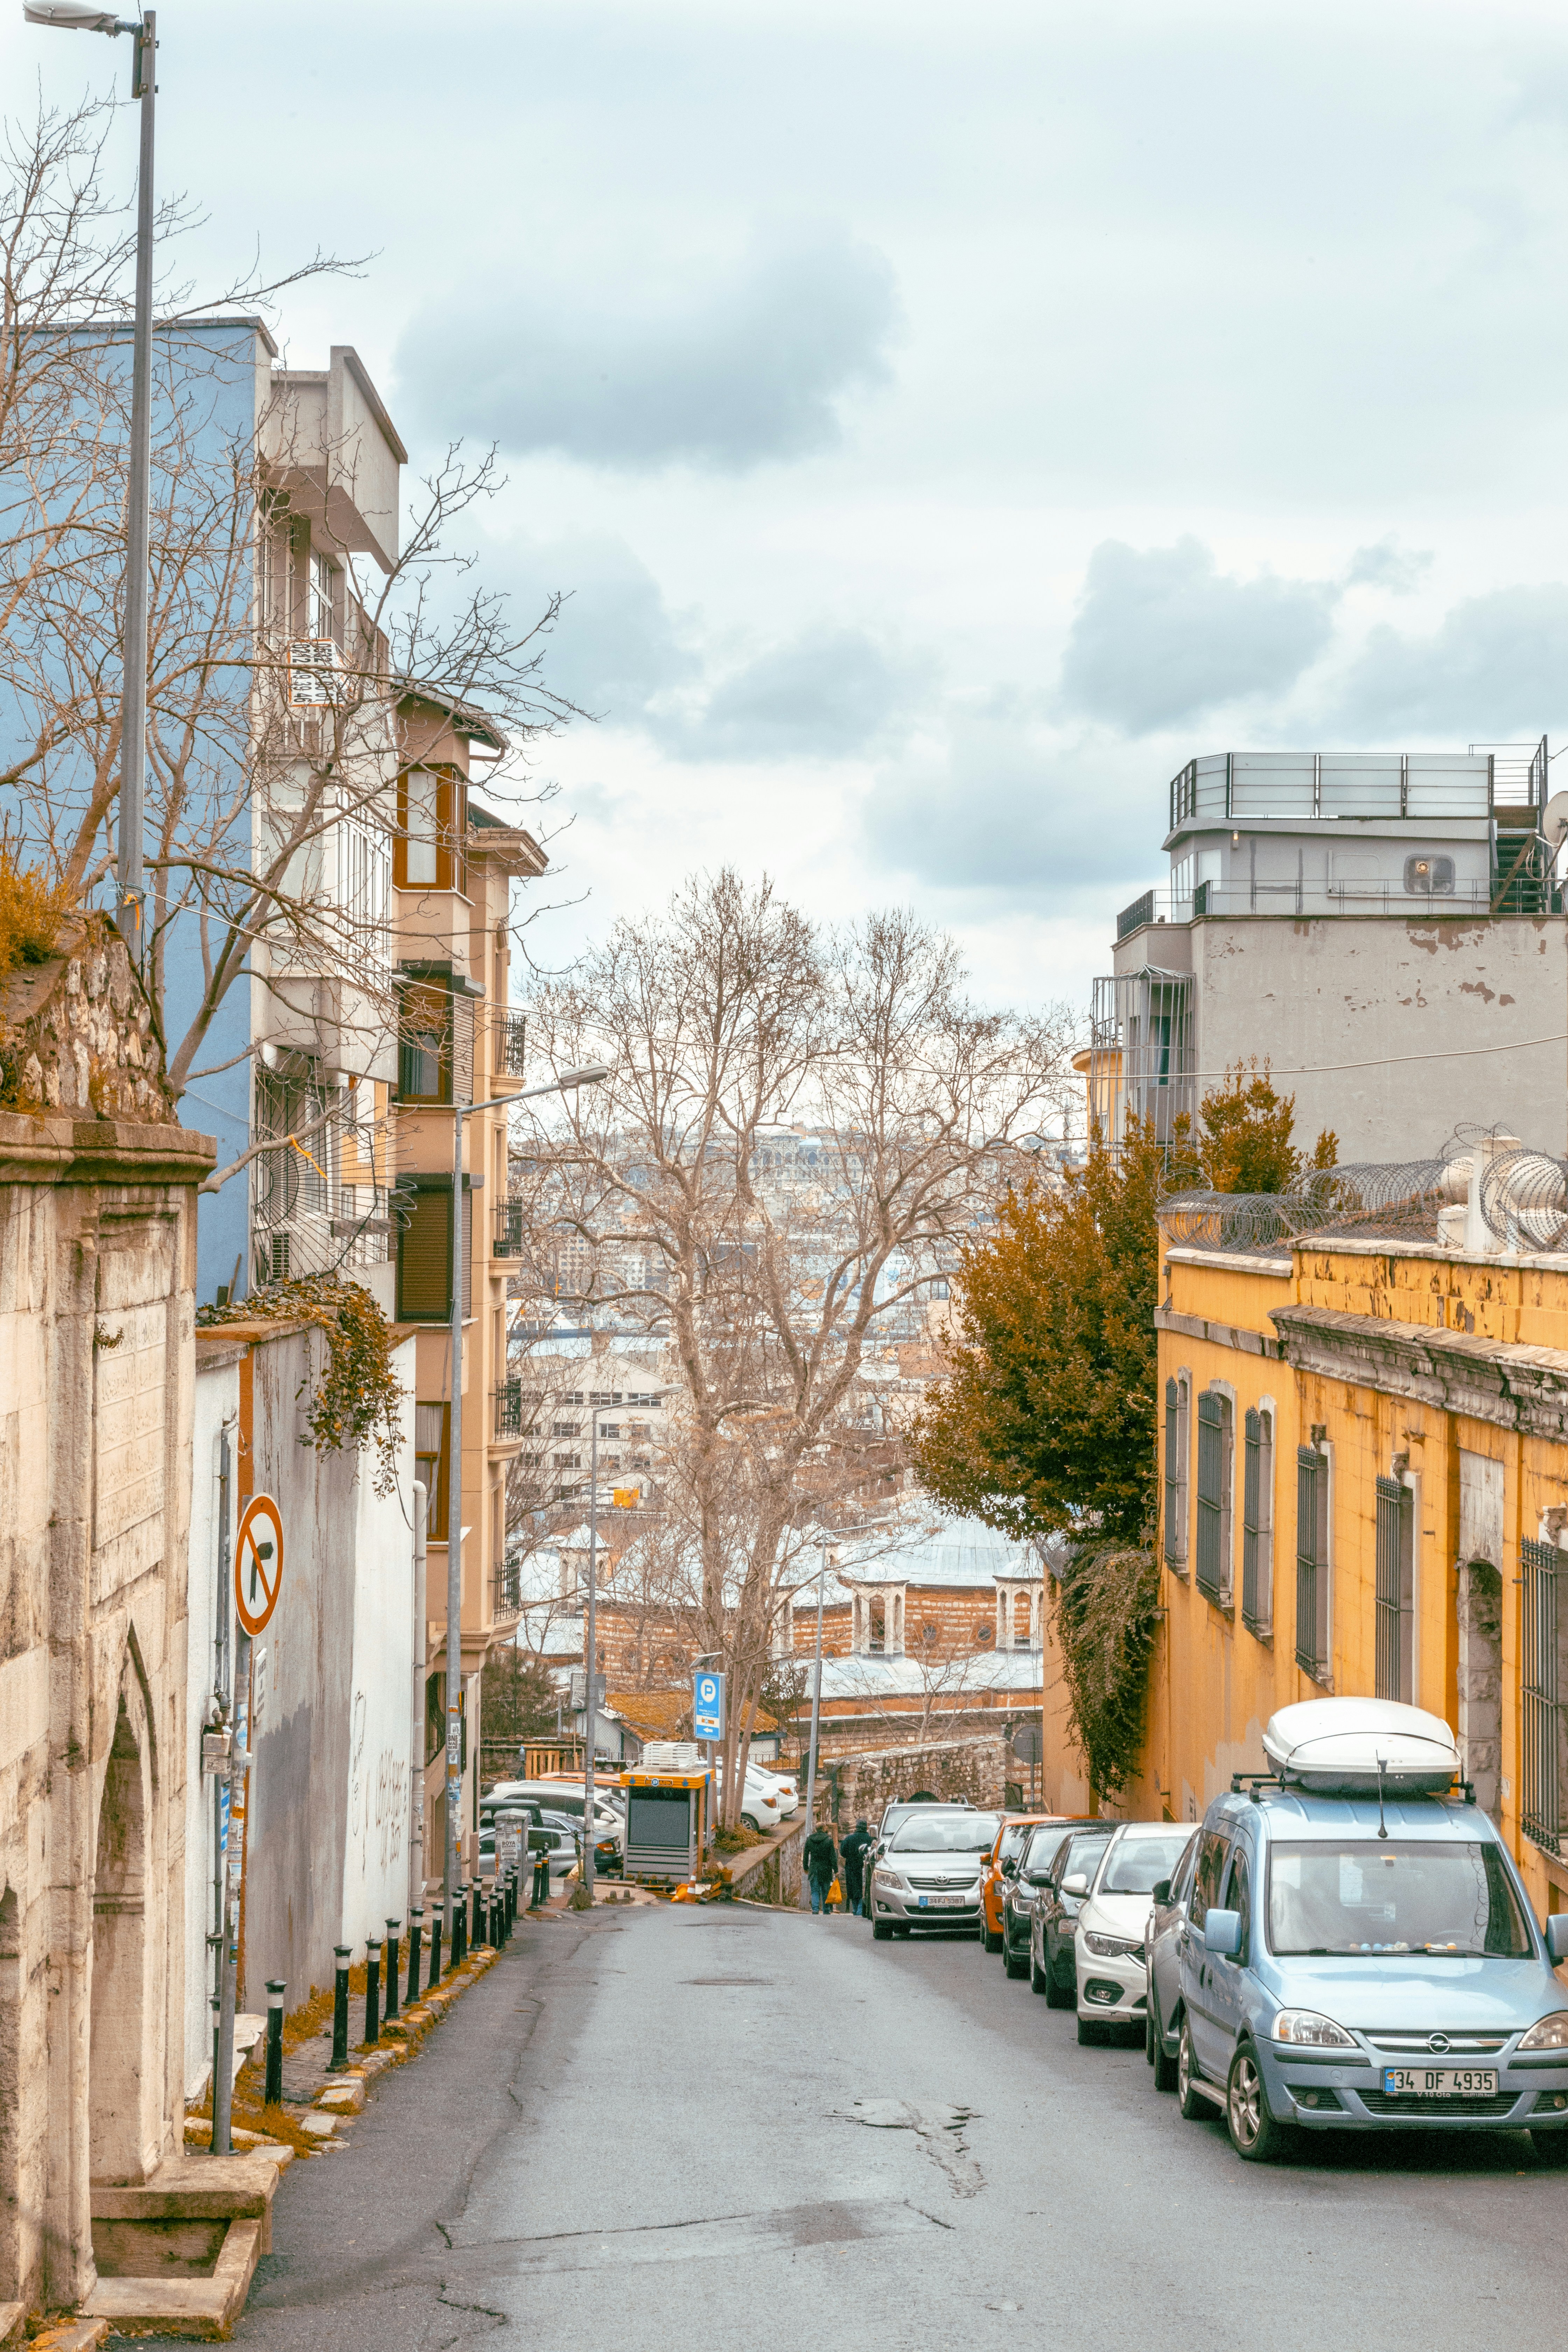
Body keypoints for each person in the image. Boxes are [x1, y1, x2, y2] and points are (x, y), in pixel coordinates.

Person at [803, 1820, 838, 1915]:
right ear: (824, 1829)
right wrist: (836, 1870)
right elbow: (833, 1857)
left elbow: (806, 1855)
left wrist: (806, 1867)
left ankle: (815, 1910)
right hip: (826, 1869)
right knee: (825, 1891)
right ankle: (826, 1911)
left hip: (814, 1869)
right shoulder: (829, 1840)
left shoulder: (810, 1839)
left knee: (815, 1891)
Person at [841, 1818, 872, 1918]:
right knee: (865, 1888)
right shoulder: (870, 1839)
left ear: (856, 1827)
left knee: (853, 1889)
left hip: (851, 1867)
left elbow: (843, 1852)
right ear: (866, 1827)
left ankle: (856, 1909)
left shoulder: (849, 1838)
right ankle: (860, 1910)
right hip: (867, 1867)